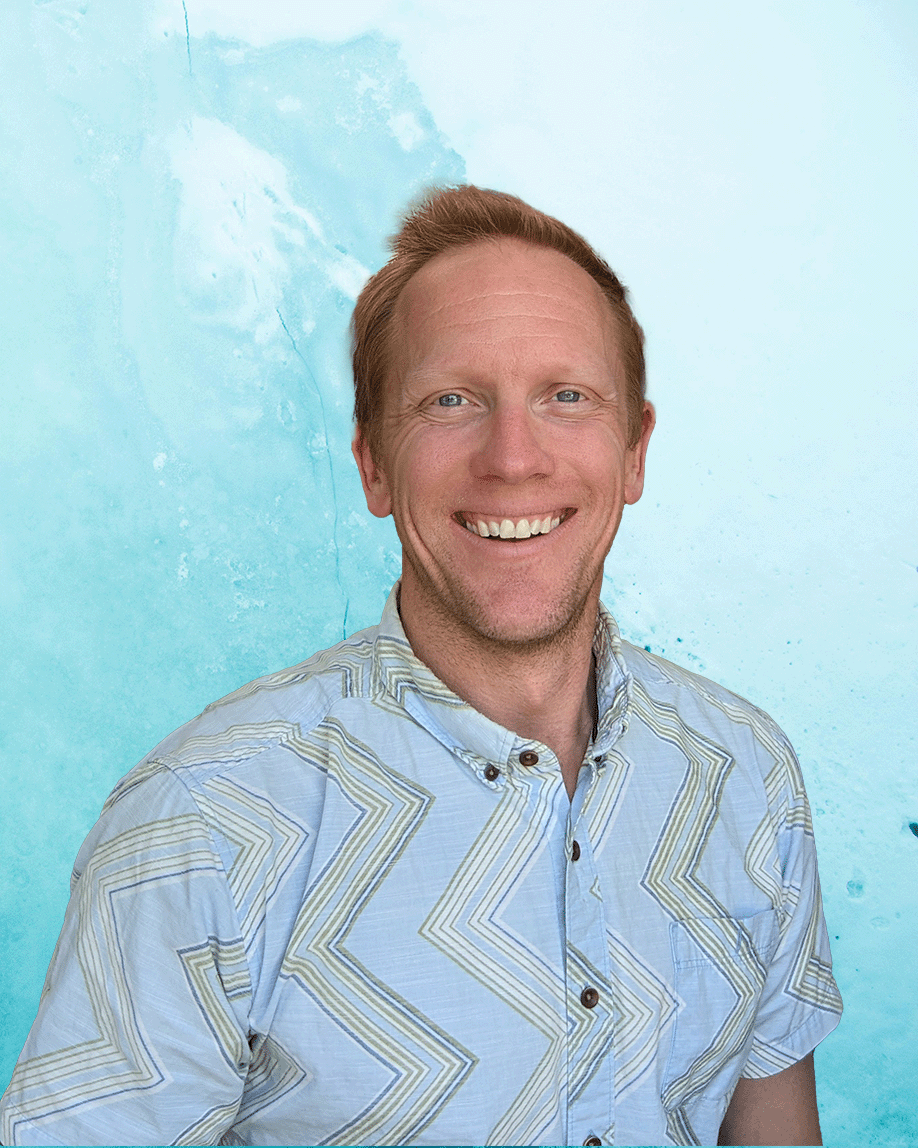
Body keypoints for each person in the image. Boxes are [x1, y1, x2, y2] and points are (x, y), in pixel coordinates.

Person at [0, 186, 842, 1147]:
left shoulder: (746, 771)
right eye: (451, 401)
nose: (513, 458)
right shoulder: (201, 822)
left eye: (566, 397)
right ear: (372, 465)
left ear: (635, 452)